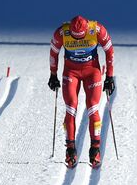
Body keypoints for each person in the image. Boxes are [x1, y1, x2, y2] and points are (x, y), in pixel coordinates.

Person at [48, 15, 115, 168]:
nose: (77, 40)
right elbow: (53, 53)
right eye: (74, 37)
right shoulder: (61, 33)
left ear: (86, 30)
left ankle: (95, 149)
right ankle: (70, 150)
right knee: (71, 106)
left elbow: (109, 51)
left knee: (92, 106)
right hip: (71, 72)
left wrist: (109, 77)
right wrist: (53, 75)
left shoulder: (97, 29)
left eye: (81, 37)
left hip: (92, 71)